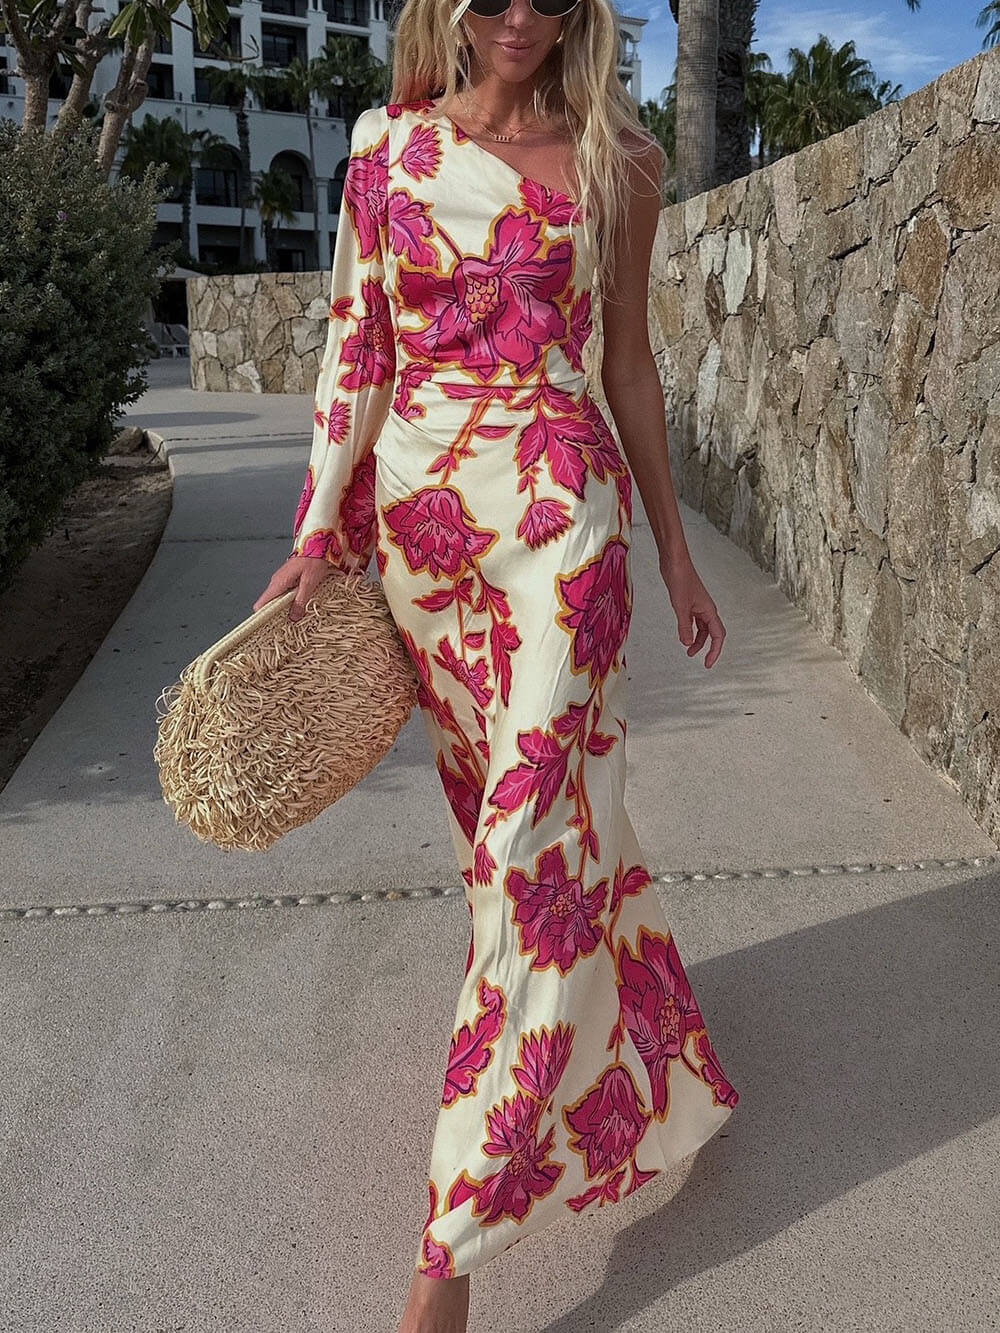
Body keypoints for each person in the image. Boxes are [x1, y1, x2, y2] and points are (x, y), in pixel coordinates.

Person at [253, 0, 740, 1328]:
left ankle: (447, 1255)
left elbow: (628, 364)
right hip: (428, 538)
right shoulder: (389, 151)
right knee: (525, 847)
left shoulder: (621, 160)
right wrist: (316, 534)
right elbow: (359, 349)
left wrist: (674, 552)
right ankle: (666, 1061)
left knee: (529, 853)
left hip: (561, 524)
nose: (518, 14)